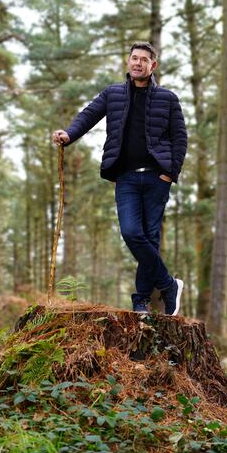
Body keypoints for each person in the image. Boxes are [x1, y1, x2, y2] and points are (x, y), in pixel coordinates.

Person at [52, 41, 187, 315]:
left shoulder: (168, 99)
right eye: (134, 58)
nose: (138, 63)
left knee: (149, 237)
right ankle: (168, 284)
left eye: (143, 60)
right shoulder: (112, 94)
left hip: (156, 179)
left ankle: (141, 301)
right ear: (128, 62)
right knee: (131, 232)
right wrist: (69, 134)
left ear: (153, 65)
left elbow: (179, 139)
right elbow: (88, 115)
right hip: (125, 178)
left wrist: (168, 173)